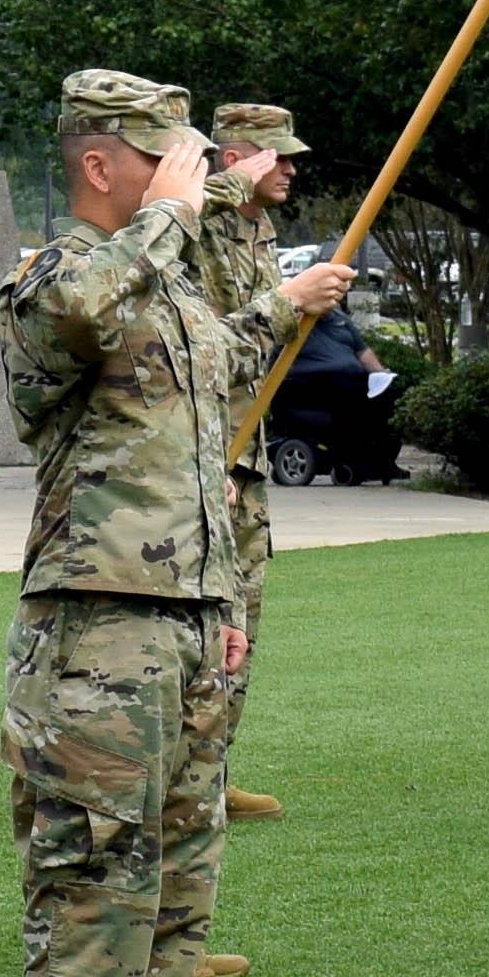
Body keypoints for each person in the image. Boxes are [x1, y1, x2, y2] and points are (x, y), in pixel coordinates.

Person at [0, 70, 352, 977]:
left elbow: (208, 395)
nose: (189, 179)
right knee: (92, 855)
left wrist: (277, 308)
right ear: (100, 165)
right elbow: (80, 319)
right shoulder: (53, 276)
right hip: (95, 615)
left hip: (188, 607)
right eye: (167, 158)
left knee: (174, 857)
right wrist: (170, 216)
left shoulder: (173, 288)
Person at [187, 102, 311, 821]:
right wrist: (229, 179)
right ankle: (189, 775)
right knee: (210, 614)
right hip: (209, 444)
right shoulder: (200, 217)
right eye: (277, 157)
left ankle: (214, 767)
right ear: (238, 158)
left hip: (249, 446)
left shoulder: (259, 229)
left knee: (245, 617)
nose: (290, 170)